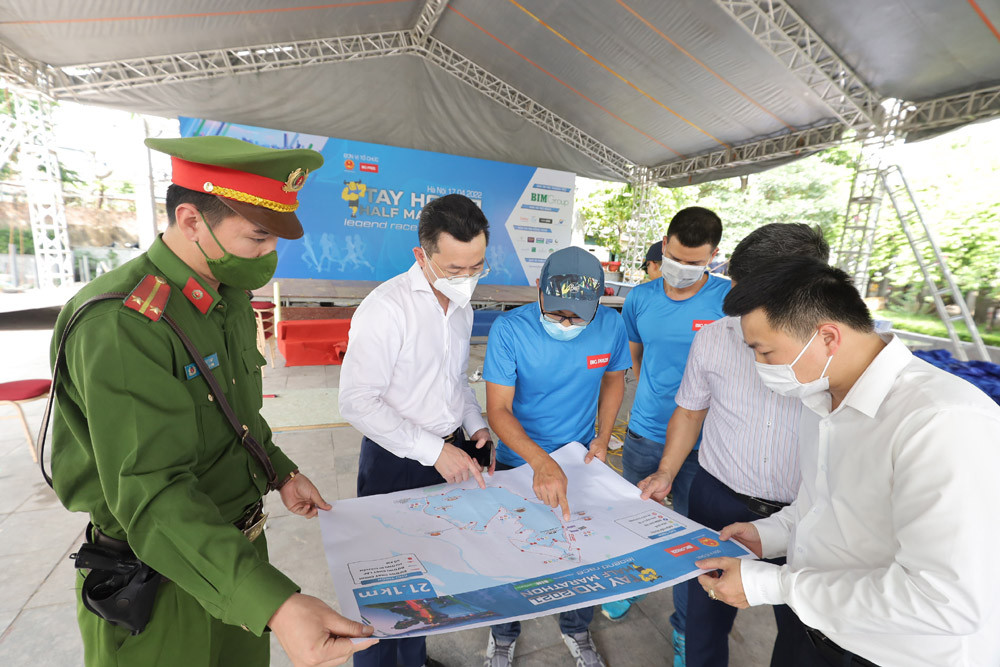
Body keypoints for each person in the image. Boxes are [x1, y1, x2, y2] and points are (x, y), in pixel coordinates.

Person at [47, 136, 377, 667]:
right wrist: (276, 605)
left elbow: (236, 416)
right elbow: (153, 496)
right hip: (160, 579)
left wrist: (280, 471)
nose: (268, 256)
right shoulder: (123, 324)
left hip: (237, 560)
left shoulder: (227, 296)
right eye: (257, 237)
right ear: (192, 220)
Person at [696, 257, 1000, 667]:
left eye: (765, 352)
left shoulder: (942, 422)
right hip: (814, 634)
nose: (760, 368)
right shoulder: (819, 398)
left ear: (827, 337)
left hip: (889, 654)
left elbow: (945, 600)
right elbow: (821, 505)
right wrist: (766, 534)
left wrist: (776, 587)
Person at [637, 224, 829, 667]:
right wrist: (667, 471)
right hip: (718, 500)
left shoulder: (837, 349)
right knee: (704, 617)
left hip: (805, 513)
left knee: (807, 633)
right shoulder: (715, 337)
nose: (740, 311)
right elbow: (690, 411)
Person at [339, 193, 494, 667]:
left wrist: (475, 424)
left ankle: (414, 659)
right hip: (397, 462)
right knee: (388, 592)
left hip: (450, 454)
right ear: (421, 256)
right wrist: (432, 451)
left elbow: (455, 384)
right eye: (454, 269)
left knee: (434, 579)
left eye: (477, 267)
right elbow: (356, 402)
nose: (467, 279)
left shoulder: (462, 307)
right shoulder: (386, 308)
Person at [482, 246, 630, 667]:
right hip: (519, 457)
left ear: (600, 301)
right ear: (539, 290)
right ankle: (504, 633)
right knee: (513, 552)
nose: (566, 323)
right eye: (557, 312)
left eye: (577, 316)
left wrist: (602, 438)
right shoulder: (510, 330)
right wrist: (539, 461)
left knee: (583, 550)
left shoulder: (611, 326)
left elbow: (613, 382)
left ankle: (577, 628)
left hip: (580, 457)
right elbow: (498, 410)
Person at [605, 207, 729, 660]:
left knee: (693, 542)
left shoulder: (728, 301)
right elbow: (634, 358)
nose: (682, 269)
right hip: (645, 434)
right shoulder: (640, 298)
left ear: (714, 257)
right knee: (635, 522)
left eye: (695, 263)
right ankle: (628, 585)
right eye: (675, 257)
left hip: (706, 446)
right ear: (665, 244)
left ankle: (684, 628)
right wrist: (656, 396)